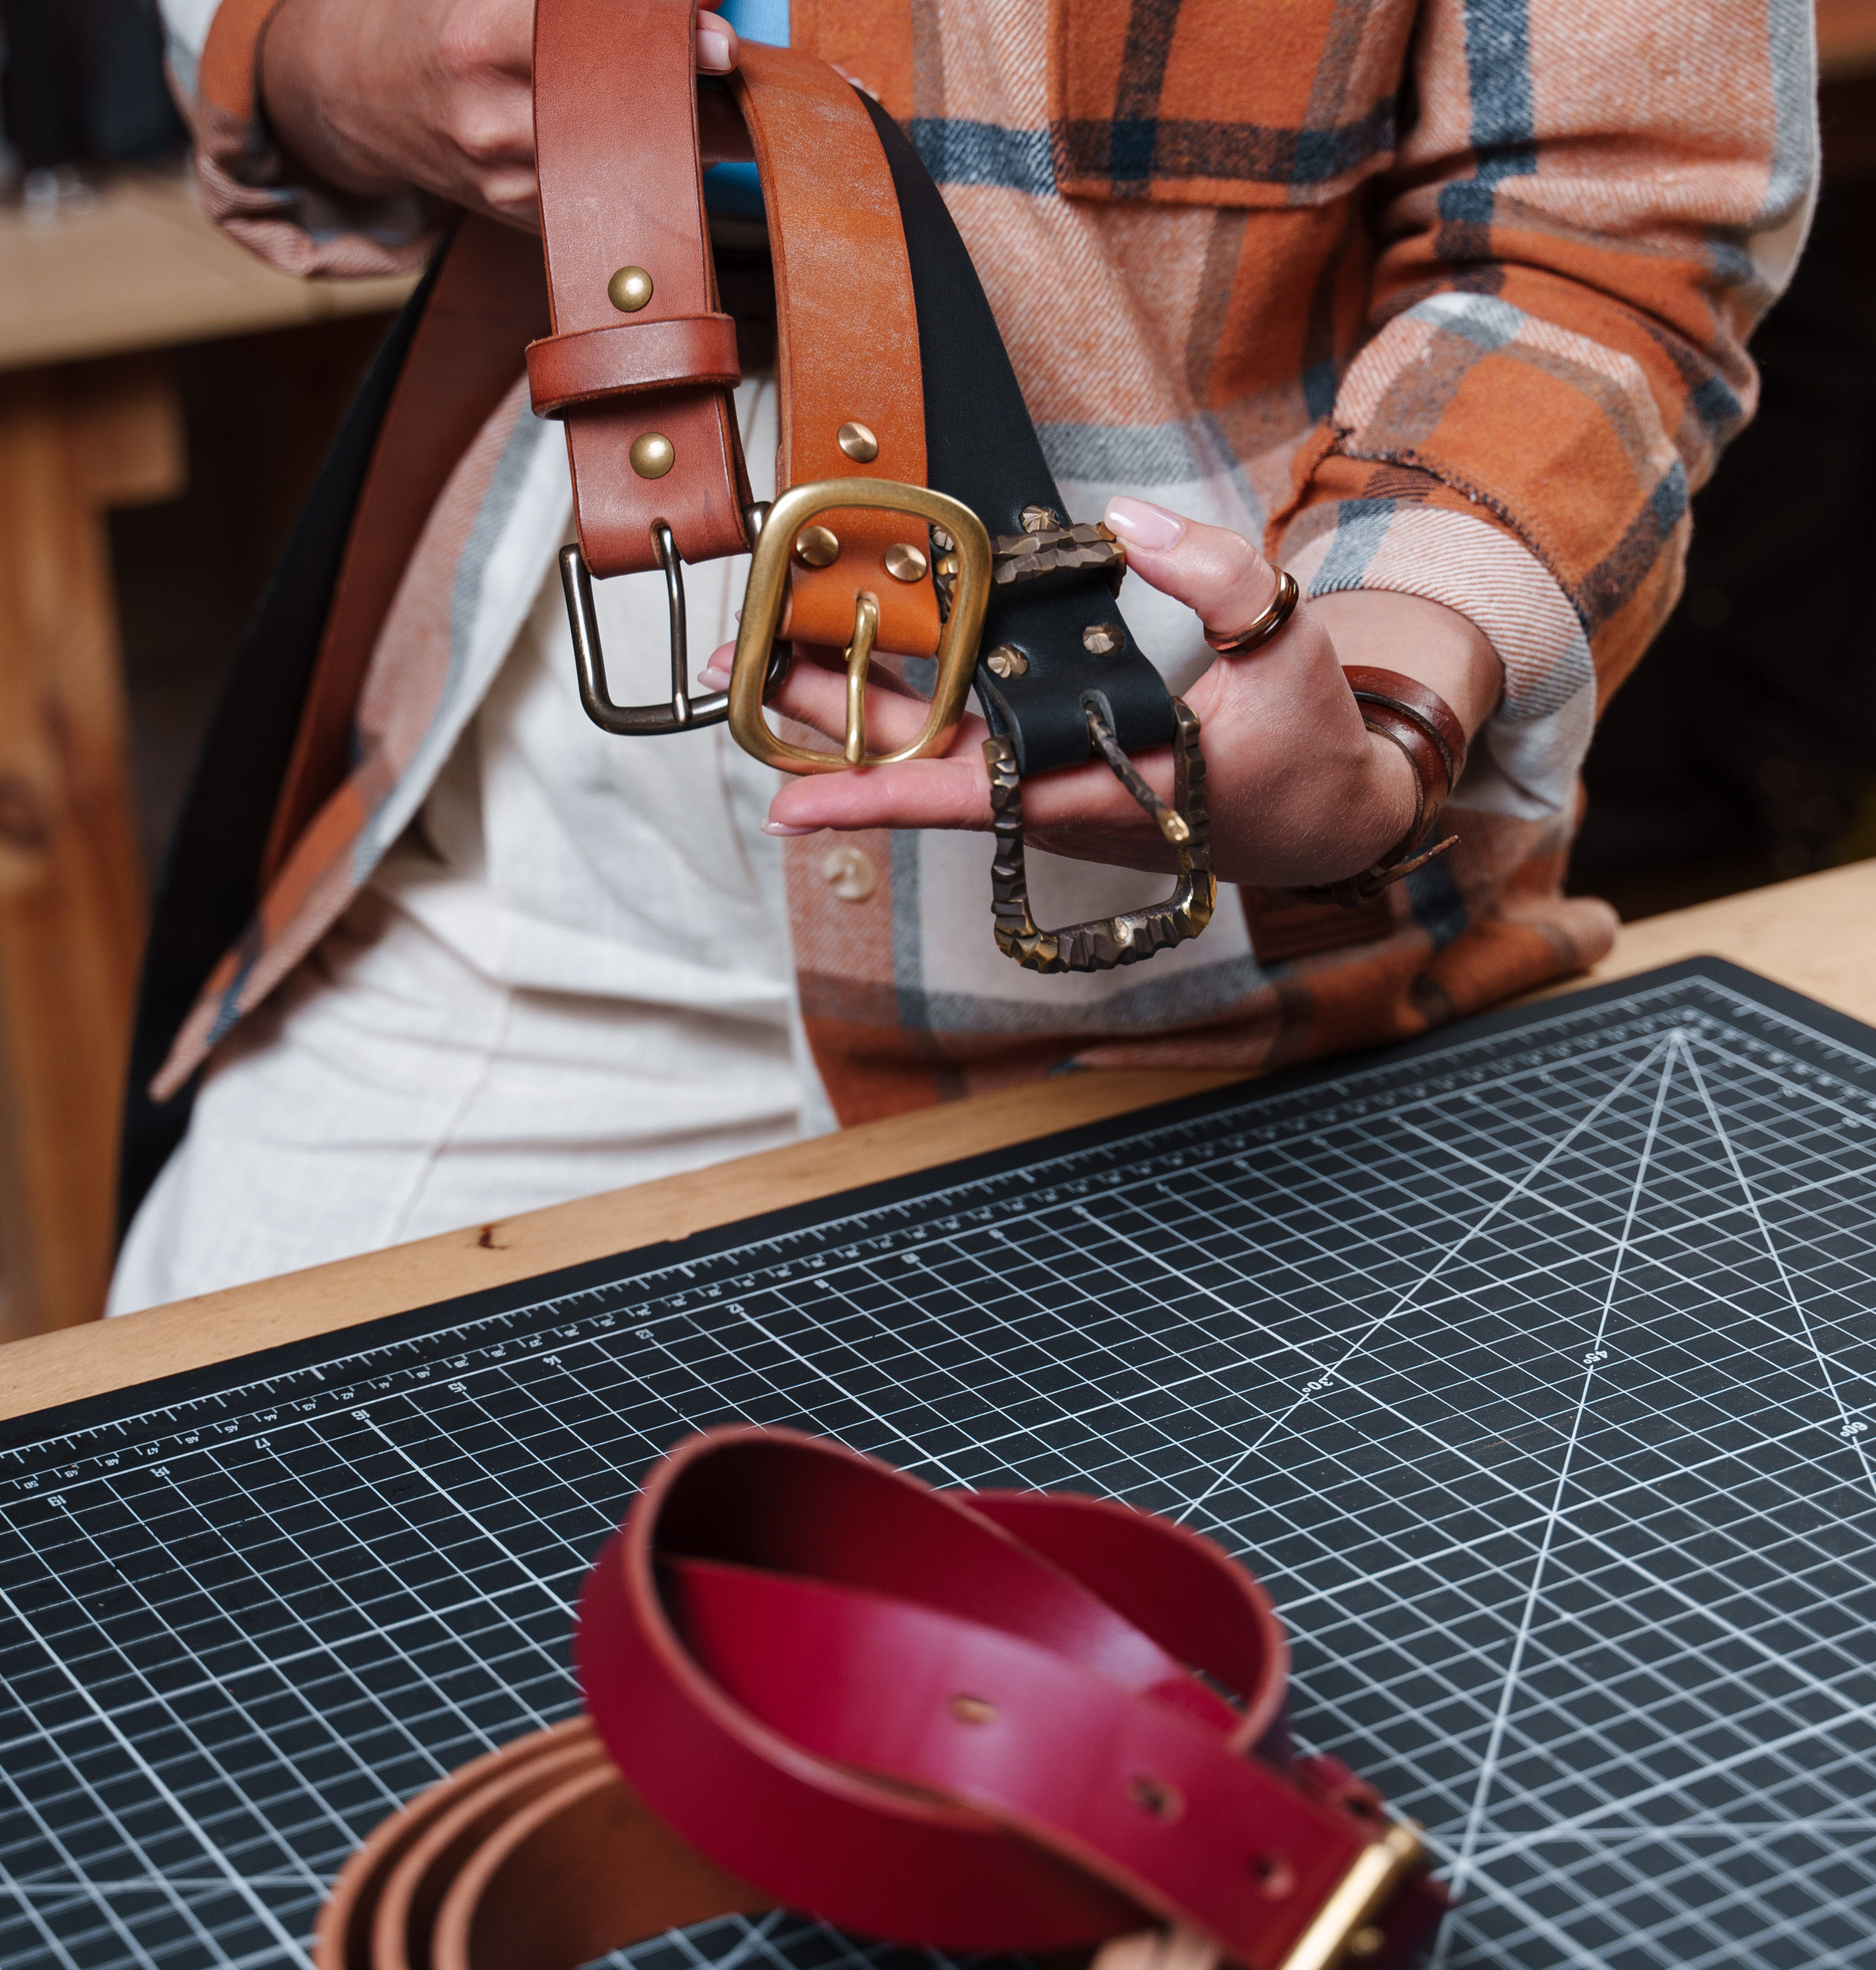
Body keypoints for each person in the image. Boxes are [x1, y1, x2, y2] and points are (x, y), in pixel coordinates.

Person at [109, 0, 1818, 1314]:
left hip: (1212, 914)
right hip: (531, 855)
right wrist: (310, 50)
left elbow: (1614, 218)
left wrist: (1383, 685)